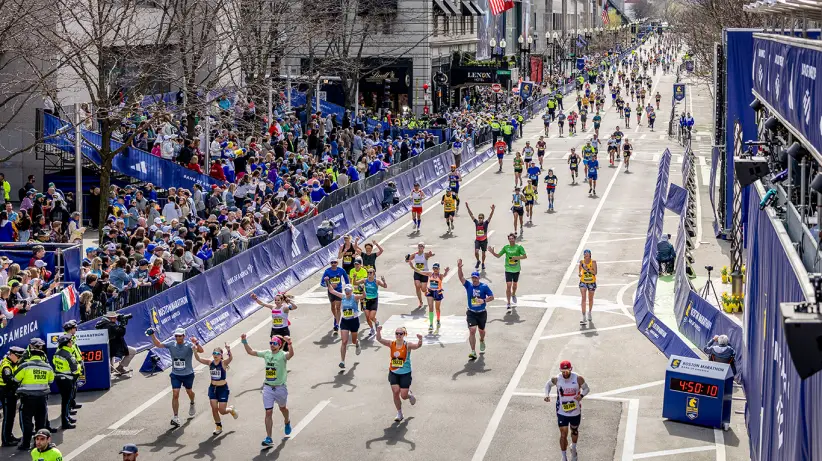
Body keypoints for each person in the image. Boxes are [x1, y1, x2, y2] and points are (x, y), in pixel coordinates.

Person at [241, 333, 294, 446]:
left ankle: (287, 421)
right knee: (268, 412)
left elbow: (291, 355)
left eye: (274, 343)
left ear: (279, 345)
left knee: (283, 408)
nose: (272, 345)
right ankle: (269, 438)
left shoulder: (282, 355)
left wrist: (289, 344)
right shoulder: (266, 353)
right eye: (271, 343)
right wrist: (244, 341)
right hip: (268, 387)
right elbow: (251, 352)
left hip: (280, 388)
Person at [148, 327, 204, 427]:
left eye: (180, 336)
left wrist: (197, 343)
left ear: (184, 336)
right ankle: (176, 417)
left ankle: (192, 402)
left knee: (189, 391)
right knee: (175, 393)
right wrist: (152, 335)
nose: (178, 338)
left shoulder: (189, 345)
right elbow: (158, 344)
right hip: (176, 374)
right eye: (176, 336)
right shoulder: (171, 344)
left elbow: (201, 350)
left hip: (188, 374)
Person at [544, 361, 590, 461]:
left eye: (567, 371)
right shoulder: (556, 379)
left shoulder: (578, 378)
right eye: (563, 371)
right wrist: (546, 395)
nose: (565, 373)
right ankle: (564, 457)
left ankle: (573, 449)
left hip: (575, 411)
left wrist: (581, 395)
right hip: (562, 411)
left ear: (571, 369)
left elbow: (586, 389)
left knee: (574, 431)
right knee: (563, 434)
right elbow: (547, 385)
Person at [375, 325, 423, 422]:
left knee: (403, 396)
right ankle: (399, 413)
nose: (398, 335)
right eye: (397, 333)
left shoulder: (407, 345)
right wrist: (378, 331)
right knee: (395, 392)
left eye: (400, 334)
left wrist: (420, 340)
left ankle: (409, 395)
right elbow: (379, 339)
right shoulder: (391, 343)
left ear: (404, 335)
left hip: (405, 373)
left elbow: (417, 346)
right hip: (394, 372)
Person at [14, 338, 54, 450]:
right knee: (40, 422)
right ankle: (40, 445)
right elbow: (50, 381)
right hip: (42, 398)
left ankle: (25, 444)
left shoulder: (25, 365)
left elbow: (16, 379)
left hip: (27, 399)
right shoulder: (47, 367)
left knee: (26, 422)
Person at [193, 343, 238, 435]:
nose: (215, 355)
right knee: (214, 408)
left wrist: (228, 350)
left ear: (221, 355)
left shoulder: (223, 363)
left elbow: (231, 358)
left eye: (217, 354)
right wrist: (194, 351)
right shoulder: (210, 363)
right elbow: (198, 359)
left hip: (223, 389)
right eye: (214, 353)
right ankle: (218, 426)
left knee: (222, 411)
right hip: (213, 388)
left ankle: (230, 410)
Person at [457, 259, 494, 360]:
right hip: (471, 312)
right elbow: (461, 278)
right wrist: (459, 268)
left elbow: (492, 297)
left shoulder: (484, 287)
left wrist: (484, 300)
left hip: (482, 313)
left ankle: (482, 340)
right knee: (472, 330)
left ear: (479, 278)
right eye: (473, 278)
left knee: (481, 331)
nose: (474, 280)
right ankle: (473, 351)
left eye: (475, 278)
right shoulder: (469, 285)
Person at [326, 284, 363, 368]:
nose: (347, 292)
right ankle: (342, 361)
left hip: (354, 321)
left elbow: (364, 296)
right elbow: (332, 291)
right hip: (345, 321)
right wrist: (327, 282)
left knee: (353, 341)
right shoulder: (342, 296)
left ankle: (357, 343)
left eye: (349, 290)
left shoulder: (355, 297)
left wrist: (362, 290)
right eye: (346, 290)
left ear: (351, 291)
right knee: (344, 341)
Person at [489, 233, 527, 311]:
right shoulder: (506, 248)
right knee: (509, 285)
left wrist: (517, 257)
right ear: (508, 240)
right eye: (509, 239)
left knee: (515, 285)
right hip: (508, 269)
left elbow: (525, 256)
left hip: (516, 269)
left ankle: (513, 294)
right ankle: (508, 302)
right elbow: (498, 255)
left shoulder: (519, 247)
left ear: (514, 239)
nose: (511, 240)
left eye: (512, 238)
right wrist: (493, 252)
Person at [409, 260, 449, 333]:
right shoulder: (430, 274)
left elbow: (444, 275)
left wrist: (446, 271)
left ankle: (438, 320)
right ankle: (431, 324)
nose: (435, 270)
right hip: (430, 292)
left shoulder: (440, 275)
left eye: (436, 268)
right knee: (431, 308)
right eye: (434, 268)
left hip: (438, 292)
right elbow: (420, 272)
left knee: (437, 308)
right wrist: (412, 267)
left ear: (439, 269)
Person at [51, 334, 79, 429]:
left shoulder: (57, 353)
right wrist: (79, 366)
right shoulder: (68, 355)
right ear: (67, 344)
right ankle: (65, 422)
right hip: (67, 380)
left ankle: (67, 417)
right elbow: (75, 369)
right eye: (70, 341)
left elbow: (54, 363)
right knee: (66, 402)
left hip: (59, 378)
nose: (72, 343)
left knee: (65, 401)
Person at [0, 346, 24, 447]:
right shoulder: (6, 366)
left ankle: (9, 435)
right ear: (12, 355)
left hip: (10, 393)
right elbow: (9, 381)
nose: (19, 359)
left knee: (11, 416)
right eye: (18, 357)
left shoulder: (12, 362)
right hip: (6, 393)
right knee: (7, 417)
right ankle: (6, 440)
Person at [320, 258, 349, 334]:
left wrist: (347, 287)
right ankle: (337, 319)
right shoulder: (327, 271)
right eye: (332, 262)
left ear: (337, 263)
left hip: (339, 291)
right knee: (333, 307)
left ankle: (336, 324)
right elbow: (322, 283)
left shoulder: (341, 270)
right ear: (330, 263)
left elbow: (346, 279)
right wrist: (329, 285)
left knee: (338, 307)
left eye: (335, 262)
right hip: (331, 292)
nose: (333, 264)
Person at [357, 268, 387, 336]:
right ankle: (372, 329)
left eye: (370, 272)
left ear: (374, 273)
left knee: (371, 317)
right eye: (368, 272)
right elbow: (355, 283)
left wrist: (384, 281)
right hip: (366, 300)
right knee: (367, 317)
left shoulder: (376, 281)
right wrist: (357, 281)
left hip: (374, 300)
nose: (369, 274)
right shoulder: (365, 280)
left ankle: (376, 322)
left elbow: (385, 286)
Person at [465, 203, 494, 270]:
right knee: (476, 252)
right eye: (479, 218)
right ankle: (478, 261)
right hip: (478, 240)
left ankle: (483, 263)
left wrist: (492, 210)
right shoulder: (476, 223)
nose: (480, 219)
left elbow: (490, 216)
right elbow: (471, 215)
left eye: (481, 218)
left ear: (483, 218)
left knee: (483, 253)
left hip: (484, 241)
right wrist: (467, 207)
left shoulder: (485, 223)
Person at [407, 242, 434, 310]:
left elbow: (431, 255)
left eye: (422, 246)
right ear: (418, 247)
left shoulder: (425, 255)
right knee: (417, 286)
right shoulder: (415, 255)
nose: (420, 247)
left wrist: (431, 254)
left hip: (424, 273)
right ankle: (420, 301)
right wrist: (407, 258)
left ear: (423, 248)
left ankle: (426, 291)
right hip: (417, 272)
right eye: (419, 246)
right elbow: (407, 260)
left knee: (423, 289)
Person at [578, 249, 597, 325]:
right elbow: (579, 270)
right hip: (583, 282)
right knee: (583, 298)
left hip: (591, 282)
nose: (586, 256)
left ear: (590, 255)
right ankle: (583, 317)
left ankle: (589, 312)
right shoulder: (581, 262)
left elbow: (595, 272)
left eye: (587, 254)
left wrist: (588, 269)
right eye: (585, 254)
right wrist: (580, 273)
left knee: (590, 299)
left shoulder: (593, 262)